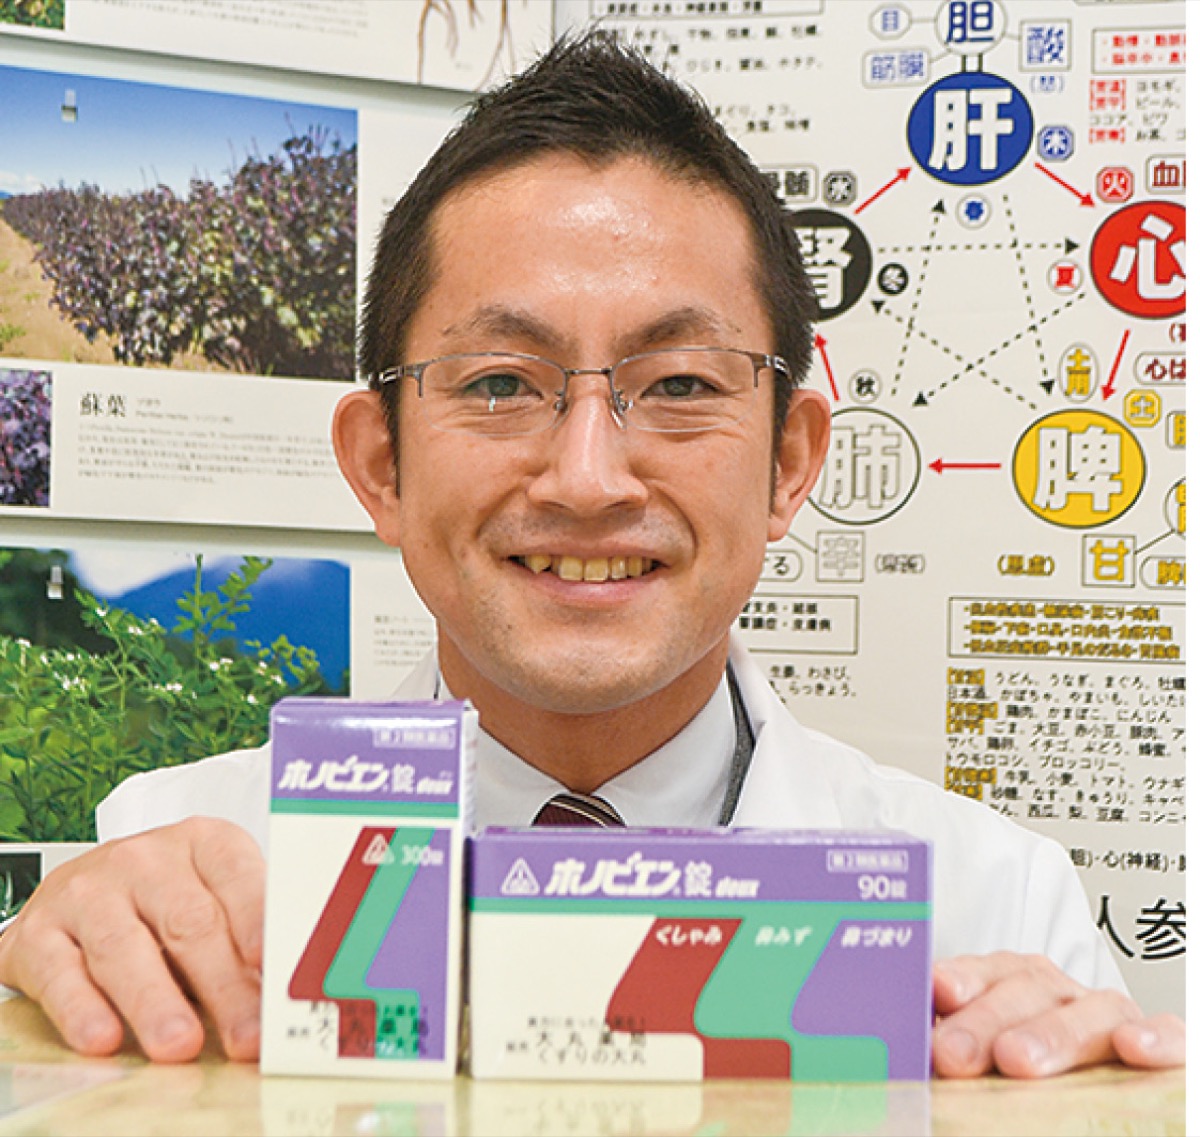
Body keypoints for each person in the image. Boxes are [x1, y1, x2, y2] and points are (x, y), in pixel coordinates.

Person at [0, 34, 1182, 1078]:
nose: (586, 477)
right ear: (381, 465)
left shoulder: (990, 909)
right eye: (499, 384)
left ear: (788, 462)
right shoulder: (184, 881)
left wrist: (1083, 1108)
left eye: (681, 385)